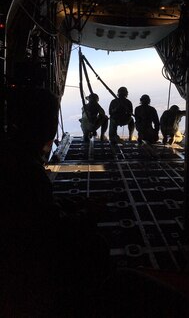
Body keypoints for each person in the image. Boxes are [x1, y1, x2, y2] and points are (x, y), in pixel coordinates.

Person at [0, 86, 110, 316]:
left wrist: (76, 203)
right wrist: (88, 215)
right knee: (96, 247)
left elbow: (39, 211)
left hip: (16, 255)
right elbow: (50, 230)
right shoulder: (26, 170)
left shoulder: (14, 157)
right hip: (27, 264)